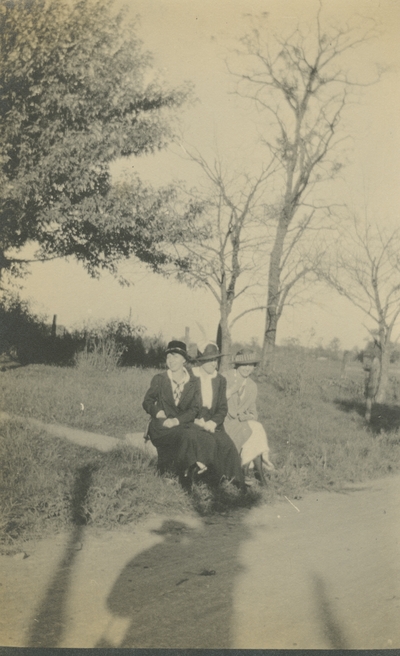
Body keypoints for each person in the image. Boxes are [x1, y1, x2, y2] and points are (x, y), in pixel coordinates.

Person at [186, 342, 244, 489]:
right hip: (193, 420)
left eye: (215, 360)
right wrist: (195, 420)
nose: (213, 363)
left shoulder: (220, 380)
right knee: (207, 442)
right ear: (201, 360)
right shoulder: (191, 376)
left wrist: (213, 422)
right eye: (210, 359)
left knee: (227, 445)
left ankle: (232, 482)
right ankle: (201, 480)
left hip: (213, 421)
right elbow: (184, 402)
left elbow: (223, 408)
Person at [142, 340, 200, 475]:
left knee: (189, 433)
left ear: (184, 360)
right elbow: (147, 402)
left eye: (175, 357)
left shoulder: (193, 382)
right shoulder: (160, 379)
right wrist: (157, 412)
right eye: (168, 357)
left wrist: (176, 421)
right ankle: (182, 471)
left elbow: (194, 409)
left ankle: (181, 471)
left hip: (181, 424)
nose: (171, 361)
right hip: (161, 425)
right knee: (185, 435)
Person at [224, 349, 274, 486]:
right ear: (237, 365)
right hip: (224, 422)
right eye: (244, 365)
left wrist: (246, 416)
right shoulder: (225, 378)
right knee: (256, 429)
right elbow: (216, 402)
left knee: (253, 428)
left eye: (250, 365)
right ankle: (257, 472)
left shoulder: (252, 386)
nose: (247, 368)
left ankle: (246, 471)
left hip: (241, 424)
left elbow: (253, 412)